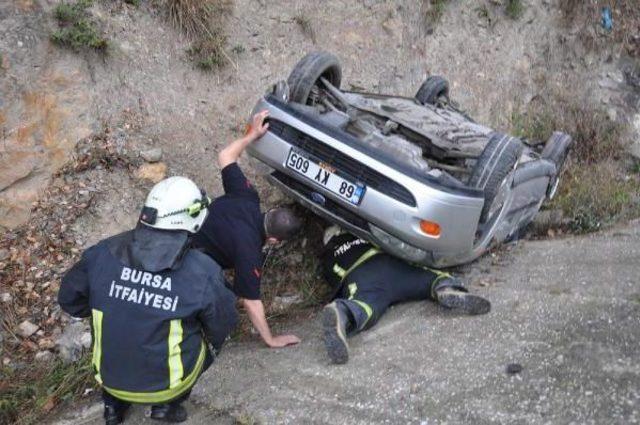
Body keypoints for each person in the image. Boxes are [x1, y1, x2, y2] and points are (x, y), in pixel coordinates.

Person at [58, 177, 238, 424]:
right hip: (168, 385)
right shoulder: (202, 270)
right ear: (192, 218)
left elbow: (70, 301)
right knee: (209, 343)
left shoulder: (102, 253)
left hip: (108, 379)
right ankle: (168, 406)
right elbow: (222, 324)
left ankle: (112, 408)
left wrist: (119, 301)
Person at [193, 110, 303, 348]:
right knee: (222, 293)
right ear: (273, 240)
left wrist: (251, 135)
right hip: (183, 258)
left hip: (178, 229)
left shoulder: (248, 196)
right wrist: (271, 340)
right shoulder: (250, 253)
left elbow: (225, 156)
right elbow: (251, 302)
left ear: (270, 211)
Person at [319, 226, 491, 364]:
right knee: (429, 279)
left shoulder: (328, 256)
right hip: (391, 265)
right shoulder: (363, 229)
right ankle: (446, 288)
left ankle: (342, 312)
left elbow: (337, 280)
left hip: (362, 278)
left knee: (364, 308)